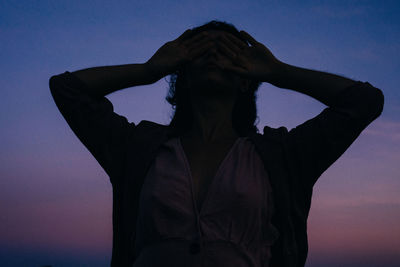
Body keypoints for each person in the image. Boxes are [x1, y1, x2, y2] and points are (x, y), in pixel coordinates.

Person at [49, 20, 384, 267]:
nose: (213, 55)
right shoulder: (138, 148)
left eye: (228, 52)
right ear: (181, 72)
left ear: (244, 80)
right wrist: (149, 69)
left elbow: (364, 102)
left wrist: (277, 72)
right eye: (199, 50)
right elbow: (67, 89)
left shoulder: (282, 156)